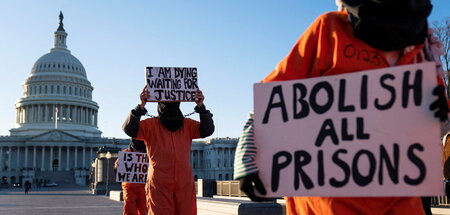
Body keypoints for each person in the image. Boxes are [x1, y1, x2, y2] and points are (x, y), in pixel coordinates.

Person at [234, 0, 449, 214]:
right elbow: (276, 93)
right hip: (329, 200)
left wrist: (437, 108)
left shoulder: (423, 47)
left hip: (399, 197)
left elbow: (433, 116)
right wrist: (248, 155)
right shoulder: (330, 29)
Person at [122, 88, 214, 215]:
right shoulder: (153, 125)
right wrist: (140, 106)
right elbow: (129, 129)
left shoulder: (186, 124)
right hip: (164, 183)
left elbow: (207, 130)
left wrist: (201, 106)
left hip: (172, 181)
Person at [115, 138, 148, 215]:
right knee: (129, 208)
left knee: (143, 209)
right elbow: (116, 169)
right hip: (130, 186)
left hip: (142, 187)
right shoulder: (125, 153)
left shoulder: (147, 154)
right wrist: (117, 166)